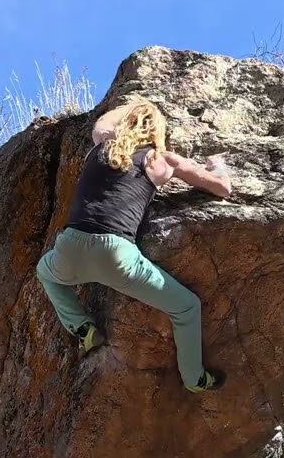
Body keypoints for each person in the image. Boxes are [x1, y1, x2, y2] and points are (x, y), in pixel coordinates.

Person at [35, 98, 232, 393]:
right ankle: (194, 379)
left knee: (44, 270)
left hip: (70, 246)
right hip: (116, 254)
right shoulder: (161, 160)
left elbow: (101, 125)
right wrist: (218, 166)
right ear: (158, 133)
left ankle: (82, 327)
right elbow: (222, 188)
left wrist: (134, 105)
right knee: (186, 307)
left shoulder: (99, 148)